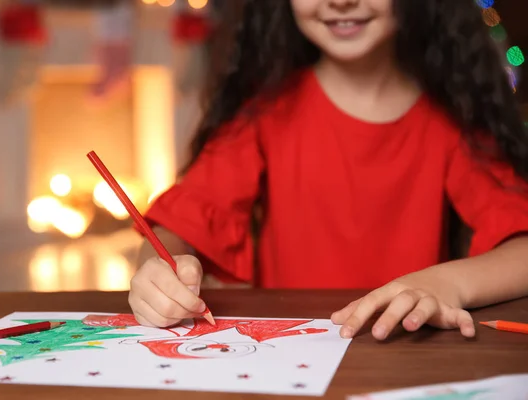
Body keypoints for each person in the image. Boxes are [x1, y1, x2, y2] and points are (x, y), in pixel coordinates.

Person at [129, 0, 528, 341]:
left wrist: (445, 285)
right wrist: (161, 273)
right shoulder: (264, 113)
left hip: (405, 357)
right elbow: (174, 229)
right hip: (287, 359)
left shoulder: (451, 118)